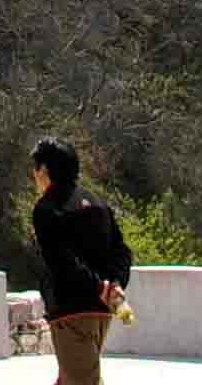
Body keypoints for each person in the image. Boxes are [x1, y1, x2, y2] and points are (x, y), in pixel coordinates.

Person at [29, 138, 132, 385]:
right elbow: (122, 251)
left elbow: (62, 262)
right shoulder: (98, 203)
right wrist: (114, 285)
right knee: (72, 376)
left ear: (43, 170)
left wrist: (99, 287)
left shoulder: (47, 208)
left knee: (82, 380)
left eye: (35, 170)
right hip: (102, 310)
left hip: (70, 311)